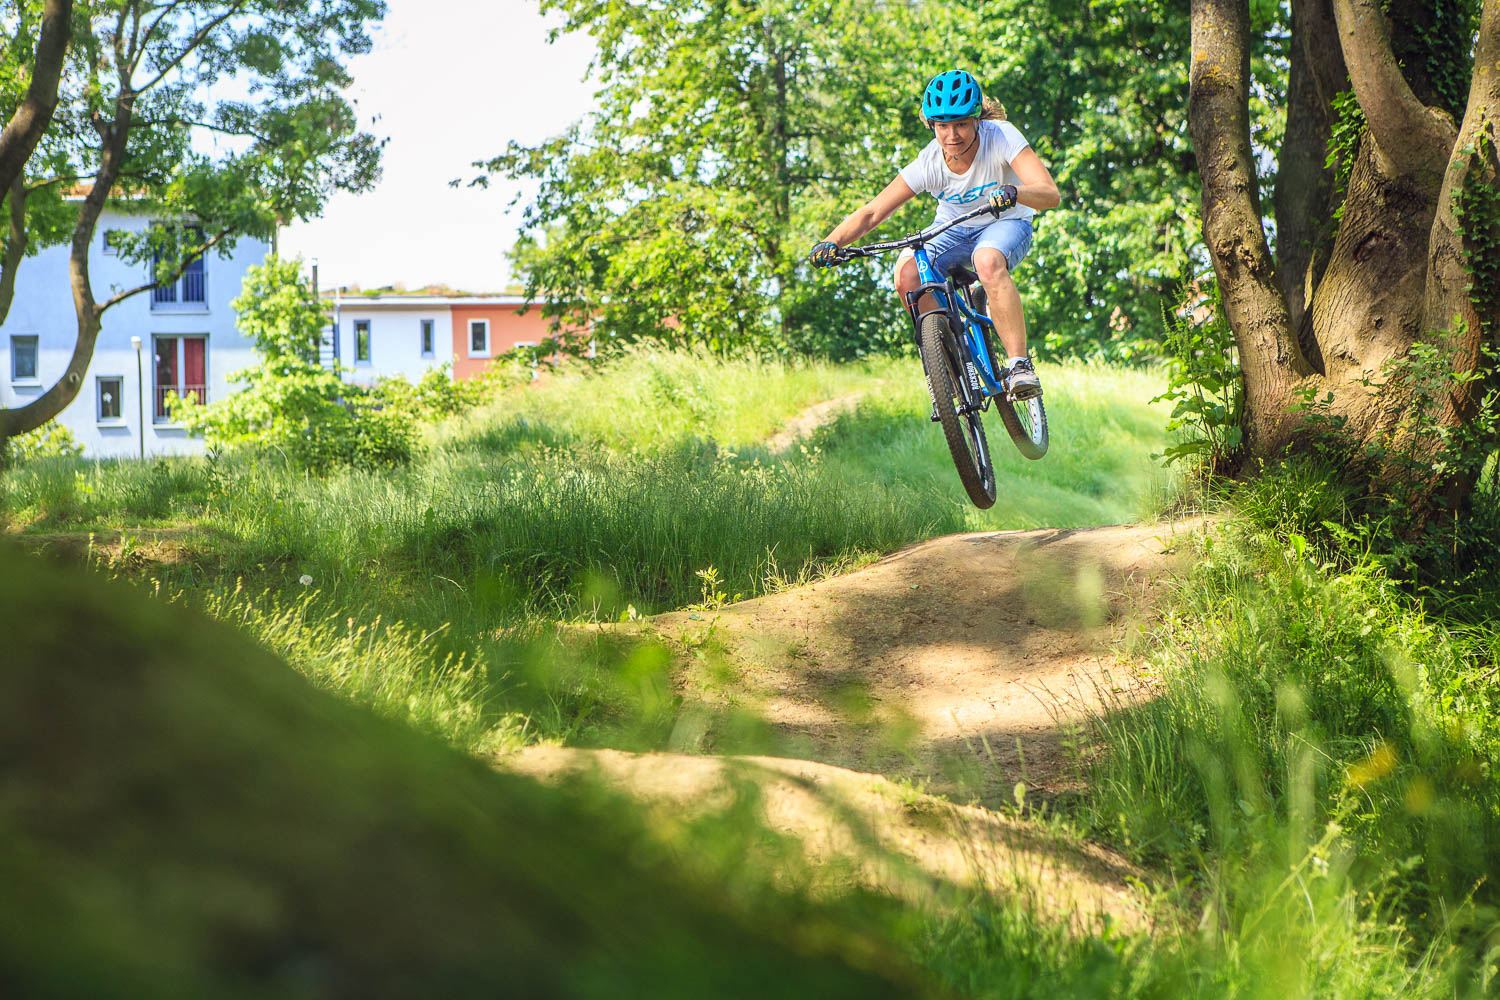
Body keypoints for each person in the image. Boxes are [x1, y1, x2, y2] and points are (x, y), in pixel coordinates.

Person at [809, 69, 1059, 399]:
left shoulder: (1001, 136)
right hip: (953, 230)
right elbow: (872, 212)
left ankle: (1019, 366)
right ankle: (949, 363)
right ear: (931, 125)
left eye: (961, 124)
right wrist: (832, 242)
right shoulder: (929, 162)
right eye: (942, 125)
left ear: (976, 120)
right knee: (907, 273)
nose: (952, 135)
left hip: (1007, 223)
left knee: (986, 260)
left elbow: (1049, 194)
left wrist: (1016, 192)